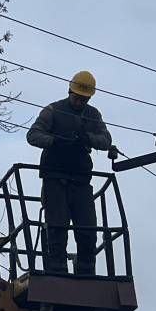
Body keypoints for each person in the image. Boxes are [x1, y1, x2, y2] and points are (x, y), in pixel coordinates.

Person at [26, 71, 112, 275]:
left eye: (85, 98)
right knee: (57, 228)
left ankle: (86, 271)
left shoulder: (93, 115)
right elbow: (33, 135)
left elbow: (106, 140)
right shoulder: (53, 111)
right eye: (77, 97)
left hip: (81, 181)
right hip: (54, 178)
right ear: (69, 91)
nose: (80, 101)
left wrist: (88, 138)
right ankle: (57, 271)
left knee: (88, 229)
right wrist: (55, 141)